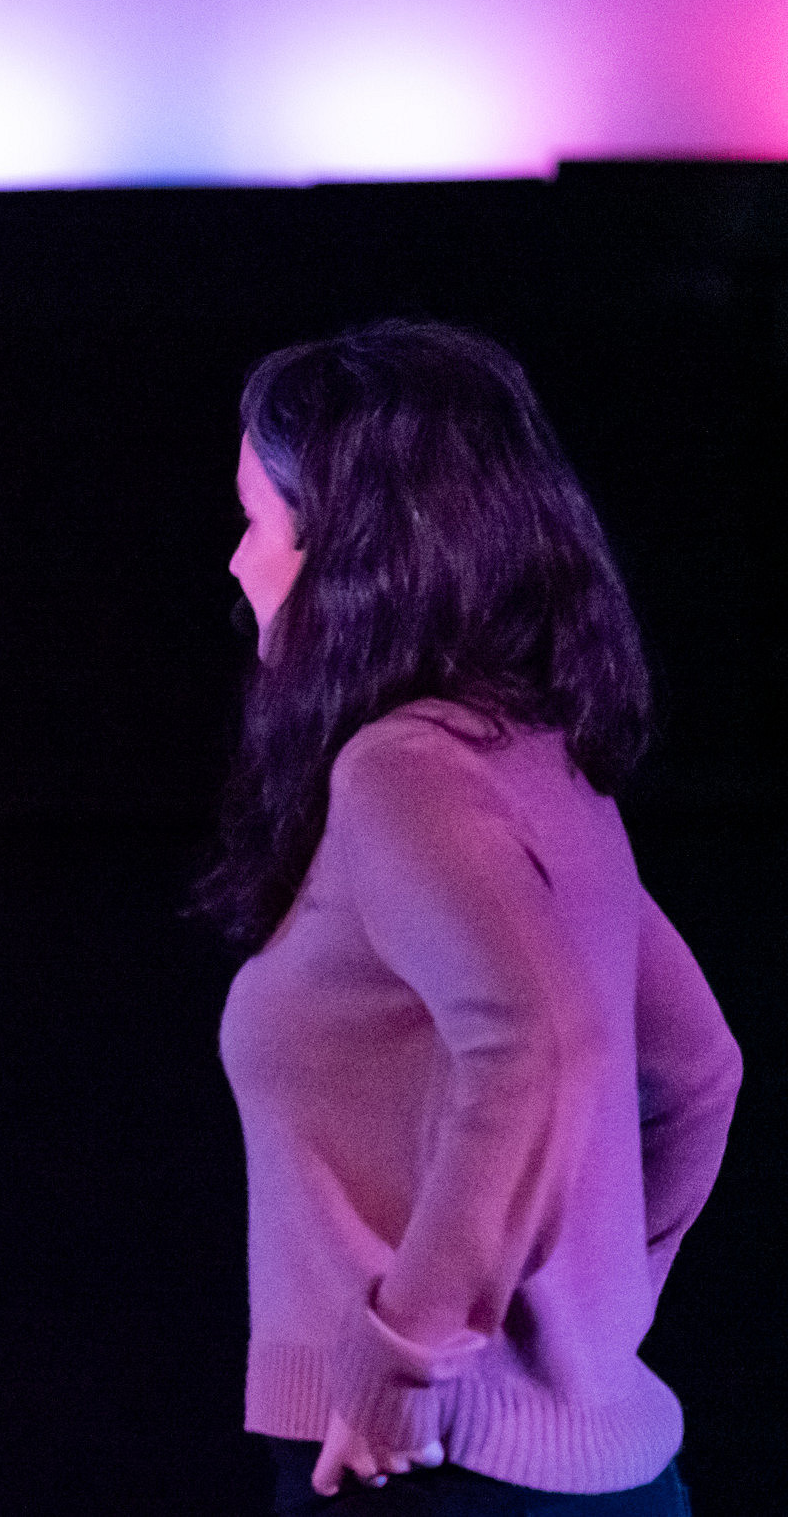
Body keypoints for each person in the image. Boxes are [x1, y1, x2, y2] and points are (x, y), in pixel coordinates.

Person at [204, 321, 741, 1514]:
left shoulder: (402, 775)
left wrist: (409, 1354)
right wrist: (590, 1321)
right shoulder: (535, 765)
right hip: (596, 1468)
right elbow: (698, 1069)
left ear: (348, 548)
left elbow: (546, 1042)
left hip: (434, 1469)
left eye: (256, 522)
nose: (238, 565)